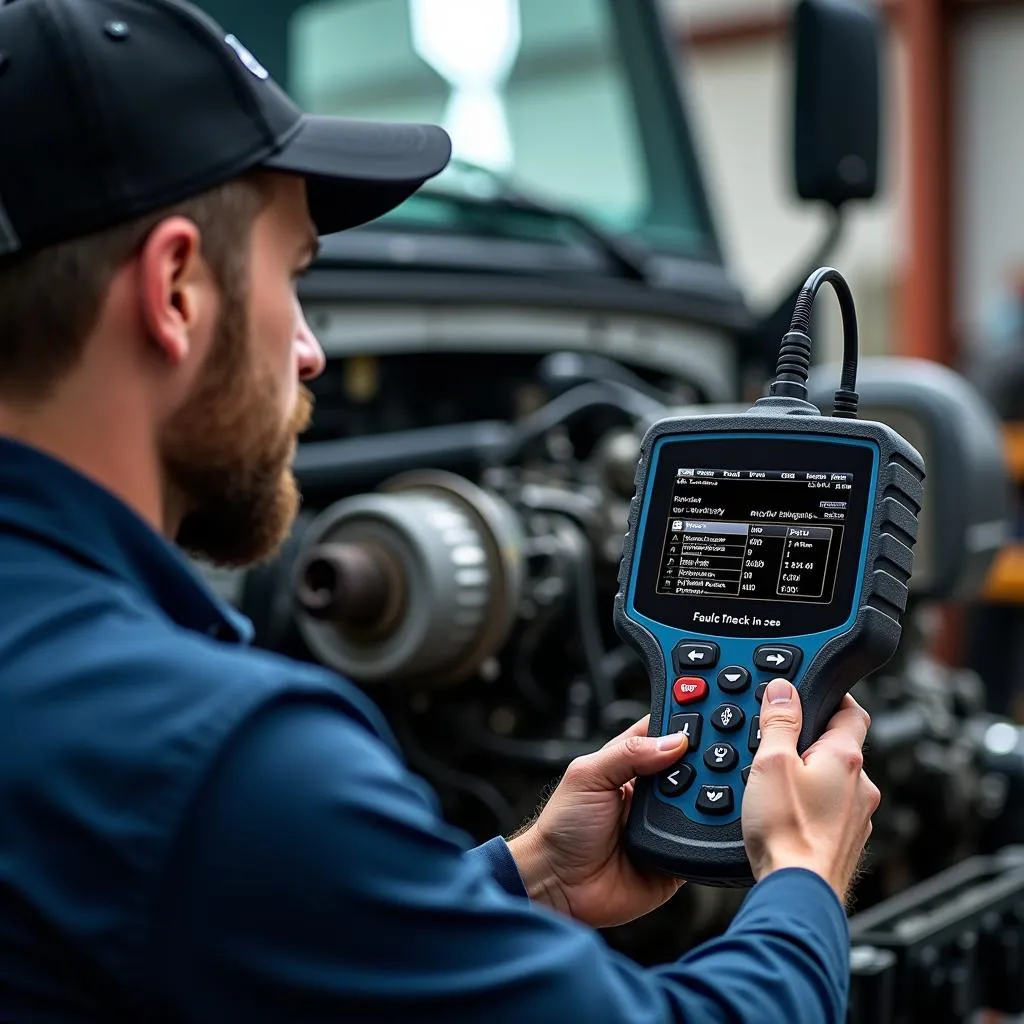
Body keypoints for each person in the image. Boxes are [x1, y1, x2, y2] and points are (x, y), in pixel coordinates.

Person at [0, 1, 880, 1021]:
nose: (310, 352)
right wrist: (802, 884)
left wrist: (527, 875)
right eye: (292, 279)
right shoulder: (218, 758)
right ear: (178, 290)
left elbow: (224, 918)